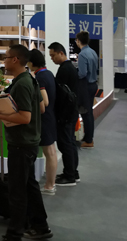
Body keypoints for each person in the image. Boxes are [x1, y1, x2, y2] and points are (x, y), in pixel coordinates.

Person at [0, 44, 51, 241]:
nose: (3, 61)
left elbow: (25, 117)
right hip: (29, 143)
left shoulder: (22, 84)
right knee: (29, 186)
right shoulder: (29, 79)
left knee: (17, 191)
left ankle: (14, 233)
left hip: (21, 144)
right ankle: (40, 226)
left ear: (15, 60)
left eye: (6, 57)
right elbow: (41, 108)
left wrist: (0, 114)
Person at [48, 42, 80, 187]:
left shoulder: (65, 69)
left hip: (65, 113)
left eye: (53, 55)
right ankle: (73, 172)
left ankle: (69, 175)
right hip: (71, 112)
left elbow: (62, 95)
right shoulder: (69, 68)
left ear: (61, 53)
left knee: (65, 143)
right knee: (70, 142)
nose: (52, 58)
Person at [28, 49, 57, 196]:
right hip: (51, 117)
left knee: (49, 152)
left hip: (44, 120)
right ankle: (51, 184)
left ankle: (49, 185)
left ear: (31, 63)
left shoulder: (39, 77)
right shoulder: (49, 73)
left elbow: (44, 102)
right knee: (51, 152)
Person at [75, 31, 98, 149]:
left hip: (86, 86)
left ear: (78, 41)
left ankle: (89, 140)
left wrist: (74, 73)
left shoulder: (82, 54)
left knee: (86, 113)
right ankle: (88, 137)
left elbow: (82, 73)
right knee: (89, 112)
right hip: (93, 84)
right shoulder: (92, 51)